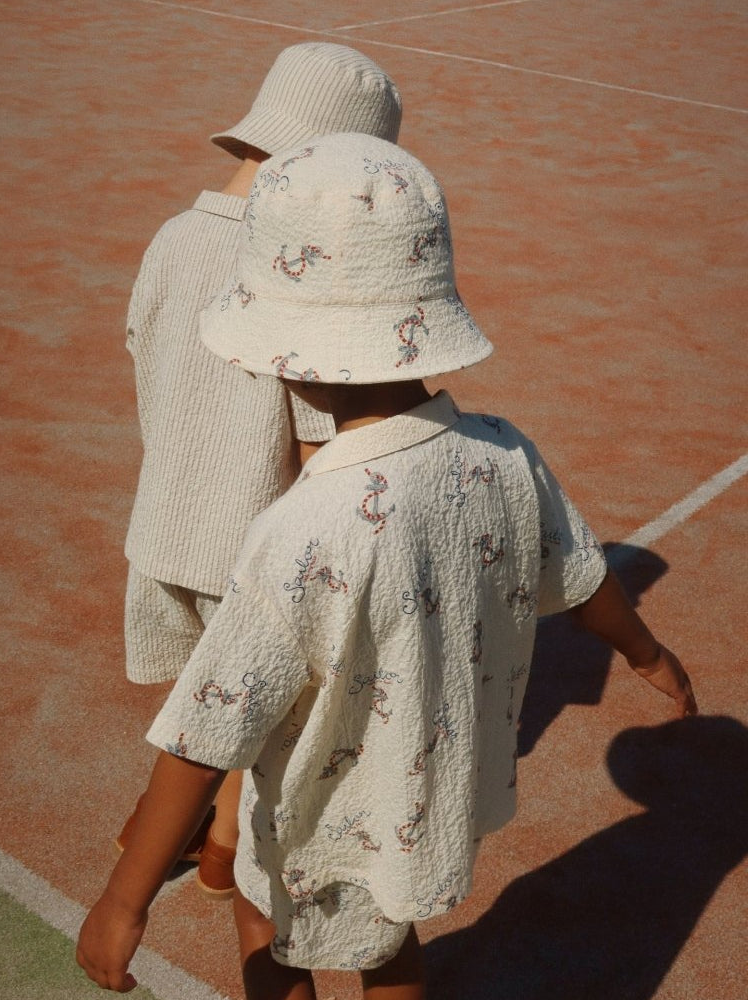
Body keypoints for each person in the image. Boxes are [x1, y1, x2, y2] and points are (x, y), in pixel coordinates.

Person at [79, 133, 697, 999]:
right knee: (388, 940)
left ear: (290, 354)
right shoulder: (506, 452)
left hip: (315, 813)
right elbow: (584, 576)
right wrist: (645, 653)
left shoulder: (304, 528)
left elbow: (208, 730)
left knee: (262, 917)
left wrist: (123, 898)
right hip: (421, 799)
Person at [118, 43, 403, 894]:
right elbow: (317, 439)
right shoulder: (295, 263)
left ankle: (165, 828)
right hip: (253, 551)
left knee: (196, 696)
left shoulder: (174, 236)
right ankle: (222, 847)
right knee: (268, 713)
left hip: (161, 524)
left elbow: (143, 351)